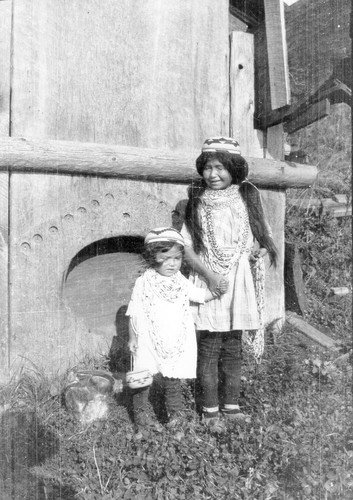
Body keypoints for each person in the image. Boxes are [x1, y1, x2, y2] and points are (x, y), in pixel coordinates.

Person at [181, 136, 278, 432]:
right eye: (208, 168)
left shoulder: (246, 197)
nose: (213, 175)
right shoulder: (196, 201)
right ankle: (210, 410)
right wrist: (210, 276)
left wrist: (258, 251)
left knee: (233, 347)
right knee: (209, 348)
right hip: (210, 282)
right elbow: (185, 248)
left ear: (234, 169)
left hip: (238, 284)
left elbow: (263, 237)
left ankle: (232, 406)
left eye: (220, 168)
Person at [126, 226, 221, 435]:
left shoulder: (180, 281)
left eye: (177, 258)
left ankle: (176, 419)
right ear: (153, 257)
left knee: (172, 380)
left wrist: (215, 291)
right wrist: (133, 337)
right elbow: (134, 310)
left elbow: (198, 295)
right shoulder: (145, 281)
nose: (172, 263)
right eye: (166, 258)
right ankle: (143, 422)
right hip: (149, 338)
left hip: (175, 339)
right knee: (143, 379)